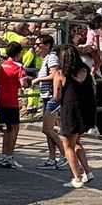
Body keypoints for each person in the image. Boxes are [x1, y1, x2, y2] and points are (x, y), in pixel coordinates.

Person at [54, 43, 96, 187]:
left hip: (70, 109)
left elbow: (56, 95)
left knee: (67, 145)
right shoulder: (85, 69)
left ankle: (76, 178)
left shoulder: (61, 73)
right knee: (76, 141)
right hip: (85, 109)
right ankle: (87, 172)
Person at [31, 35, 66, 170]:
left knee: (47, 129)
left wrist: (37, 80)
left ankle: (65, 154)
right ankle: (52, 158)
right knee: (48, 130)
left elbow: (54, 75)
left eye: (38, 44)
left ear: (47, 45)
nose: (36, 47)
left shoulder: (51, 58)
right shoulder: (46, 58)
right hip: (47, 96)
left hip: (52, 97)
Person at [0, 41, 29, 169]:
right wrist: (28, 81)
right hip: (11, 100)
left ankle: (3, 155)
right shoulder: (18, 66)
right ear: (18, 53)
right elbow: (23, 83)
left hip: (0, 99)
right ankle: (10, 157)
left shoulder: (2, 65)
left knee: (7, 128)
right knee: (14, 128)